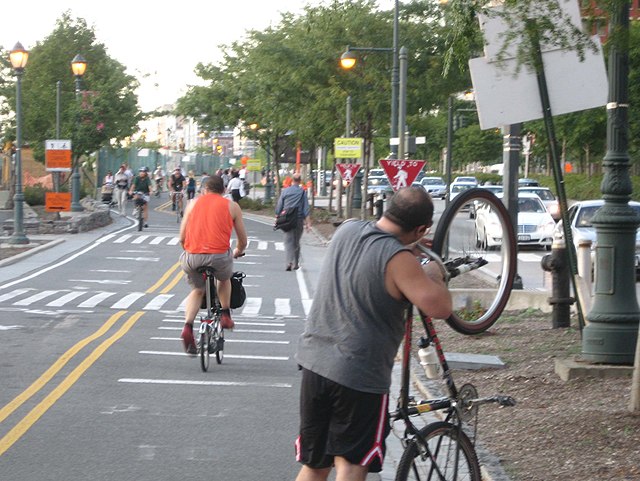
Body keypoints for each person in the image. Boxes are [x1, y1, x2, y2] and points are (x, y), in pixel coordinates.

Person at [294, 186, 453, 481]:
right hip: (358, 373)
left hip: (315, 362)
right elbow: (440, 307)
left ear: (387, 208)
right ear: (421, 229)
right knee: (352, 464)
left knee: (315, 464)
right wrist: (431, 271)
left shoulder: (348, 230)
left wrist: (409, 249)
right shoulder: (399, 259)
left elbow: (370, 260)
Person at [179, 175, 248, 354]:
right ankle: (225, 314)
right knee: (224, 279)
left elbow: (182, 237)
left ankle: (187, 326)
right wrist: (238, 250)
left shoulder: (192, 204)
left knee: (197, 290)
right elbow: (242, 240)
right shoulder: (232, 206)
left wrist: (189, 249)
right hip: (218, 256)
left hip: (193, 256)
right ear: (224, 190)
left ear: (204, 190)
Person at [275, 173, 311, 271]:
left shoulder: (285, 191)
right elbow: (306, 208)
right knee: (296, 241)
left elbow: (279, 206)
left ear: (292, 180)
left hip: (286, 219)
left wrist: (277, 217)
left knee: (288, 241)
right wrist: (308, 223)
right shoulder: (302, 192)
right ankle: (295, 263)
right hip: (298, 219)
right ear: (300, 181)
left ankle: (288, 262)